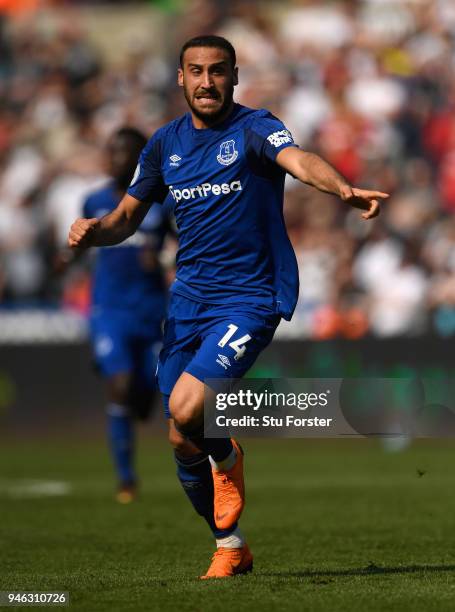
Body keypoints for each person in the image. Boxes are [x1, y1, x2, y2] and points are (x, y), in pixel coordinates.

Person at [68, 35, 388, 578]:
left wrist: (341, 189)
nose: (207, 81)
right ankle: (230, 544)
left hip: (250, 296)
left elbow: (300, 160)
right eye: (196, 71)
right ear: (180, 78)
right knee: (178, 433)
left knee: (190, 409)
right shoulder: (162, 145)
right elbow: (125, 218)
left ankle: (228, 460)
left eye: (218, 71)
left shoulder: (255, 126)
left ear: (234, 76)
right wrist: (94, 230)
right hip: (188, 301)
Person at [66, 127, 172, 503]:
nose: (114, 159)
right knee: (120, 385)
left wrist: (164, 257)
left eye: (123, 152)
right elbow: (82, 242)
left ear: (140, 158)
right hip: (109, 309)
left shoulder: (163, 202)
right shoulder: (93, 200)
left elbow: (182, 244)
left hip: (152, 310)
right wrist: (68, 256)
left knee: (149, 396)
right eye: (110, 152)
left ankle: (139, 402)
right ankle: (126, 478)